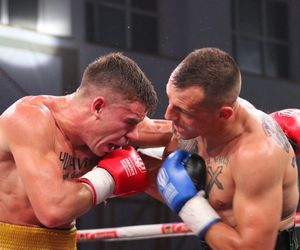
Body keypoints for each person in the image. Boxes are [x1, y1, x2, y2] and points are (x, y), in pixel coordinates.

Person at [0, 52, 170, 249]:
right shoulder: (30, 119)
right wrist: (107, 177)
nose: (133, 135)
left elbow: (184, 131)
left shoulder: (114, 130)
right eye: (129, 123)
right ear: (98, 106)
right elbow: (53, 211)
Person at [156, 47, 300, 250]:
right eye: (171, 101)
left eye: (182, 110)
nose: (168, 114)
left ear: (223, 114)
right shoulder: (198, 118)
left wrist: (190, 206)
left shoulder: (256, 156)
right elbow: (173, 186)